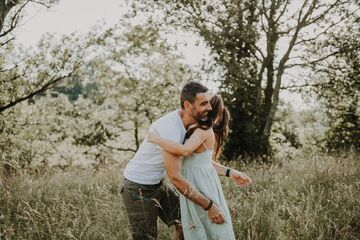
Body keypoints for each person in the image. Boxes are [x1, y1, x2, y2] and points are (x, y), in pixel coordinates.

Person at [121, 82, 251, 240]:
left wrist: (229, 172)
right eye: (204, 104)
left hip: (157, 183)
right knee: (146, 237)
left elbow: (197, 163)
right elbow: (176, 178)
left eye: (209, 102)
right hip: (138, 187)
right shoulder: (171, 130)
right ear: (188, 105)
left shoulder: (192, 126)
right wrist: (209, 206)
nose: (210, 108)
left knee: (187, 223)